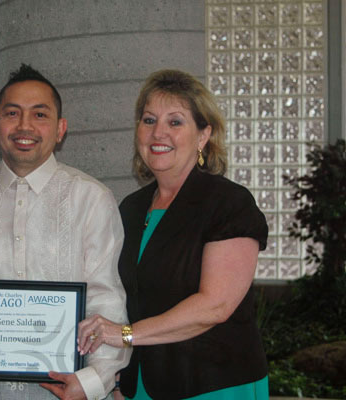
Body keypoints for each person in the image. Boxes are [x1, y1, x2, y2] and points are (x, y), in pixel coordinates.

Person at [0, 64, 132, 400]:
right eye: (12, 113)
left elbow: (106, 300)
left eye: (39, 114)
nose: (24, 125)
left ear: (60, 129)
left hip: (67, 393)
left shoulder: (91, 199)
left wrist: (93, 382)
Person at [77, 69, 269, 400]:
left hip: (213, 385)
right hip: (141, 387)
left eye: (175, 122)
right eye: (149, 120)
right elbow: (126, 299)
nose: (158, 133)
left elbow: (215, 306)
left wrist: (124, 335)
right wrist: (120, 376)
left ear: (203, 135)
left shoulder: (229, 203)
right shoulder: (131, 209)